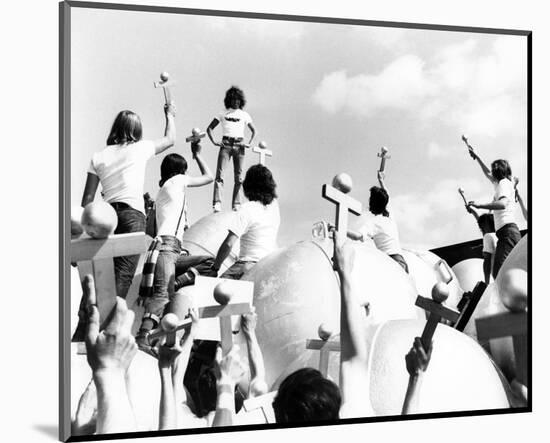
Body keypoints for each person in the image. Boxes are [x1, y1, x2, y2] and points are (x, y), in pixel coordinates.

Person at [81, 103, 177, 299]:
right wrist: (170, 115)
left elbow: (87, 200)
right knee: (122, 276)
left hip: (104, 218)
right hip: (132, 216)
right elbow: (170, 139)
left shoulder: (98, 156)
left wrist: (82, 236)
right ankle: (107, 327)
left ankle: (88, 322)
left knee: (99, 277)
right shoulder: (141, 148)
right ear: (137, 131)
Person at [136, 142, 213, 346]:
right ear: (180, 171)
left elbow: (150, 230)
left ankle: (176, 281)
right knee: (163, 295)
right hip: (168, 247)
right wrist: (197, 155)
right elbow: (209, 177)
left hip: (168, 248)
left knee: (207, 262)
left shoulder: (162, 193)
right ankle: (143, 337)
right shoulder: (177, 181)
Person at [208, 164, 280, 280]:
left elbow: (229, 243)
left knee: (213, 291)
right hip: (268, 265)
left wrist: (215, 267)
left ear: (248, 185)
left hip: (247, 264)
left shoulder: (247, 209)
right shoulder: (274, 208)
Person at [466, 146, 521, 278]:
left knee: (499, 274)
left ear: (499, 171)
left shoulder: (503, 184)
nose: (491, 171)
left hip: (507, 233)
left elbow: (501, 204)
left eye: (494, 168)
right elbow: (487, 174)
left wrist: (479, 205)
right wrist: (477, 157)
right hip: (509, 233)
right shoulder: (504, 183)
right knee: (504, 274)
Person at [207, 86, 256, 212]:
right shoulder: (223, 113)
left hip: (239, 145)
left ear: (241, 101)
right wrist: (214, 141)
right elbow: (210, 128)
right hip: (226, 144)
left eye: (238, 100)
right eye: (234, 99)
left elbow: (254, 130)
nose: (236, 102)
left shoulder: (244, 115)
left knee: (239, 177)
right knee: (220, 174)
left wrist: (249, 143)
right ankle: (217, 202)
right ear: (230, 100)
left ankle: (236, 204)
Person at [347, 171, 408, 273]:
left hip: (390, 263)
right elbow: (386, 194)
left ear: (372, 203)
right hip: (402, 263)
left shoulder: (373, 223)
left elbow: (357, 236)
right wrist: (381, 180)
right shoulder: (389, 216)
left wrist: (338, 228)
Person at [465, 206, 497, 284]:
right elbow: (481, 220)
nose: (480, 228)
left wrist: (487, 283)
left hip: (497, 279)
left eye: (481, 227)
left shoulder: (488, 237)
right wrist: (472, 211)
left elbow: (487, 263)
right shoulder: (499, 236)